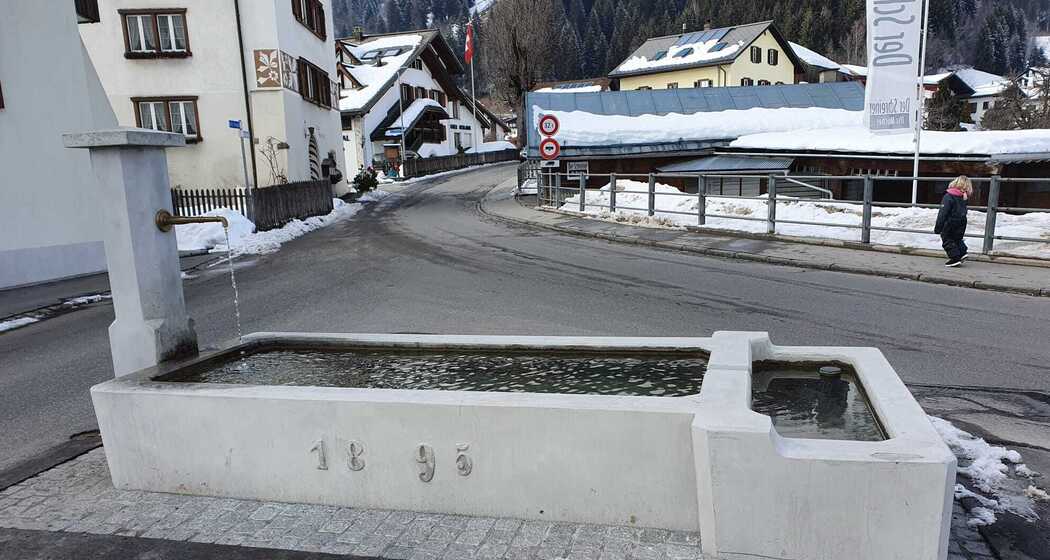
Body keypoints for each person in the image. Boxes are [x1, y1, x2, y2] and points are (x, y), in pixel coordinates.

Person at [934, 176, 972, 267]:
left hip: (950, 222)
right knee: (957, 238)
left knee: (947, 239)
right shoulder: (964, 197)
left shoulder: (949, 196)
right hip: (962, 221)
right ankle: (963, 252)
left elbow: (943, 212)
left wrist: (938, 227)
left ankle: (955, 258)